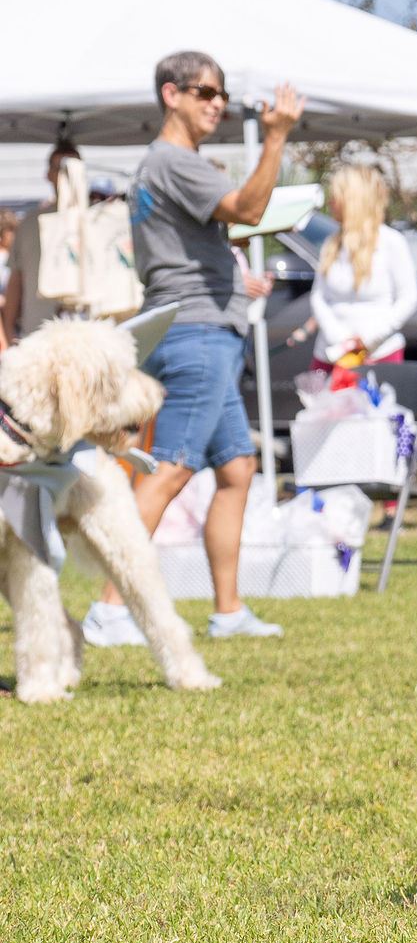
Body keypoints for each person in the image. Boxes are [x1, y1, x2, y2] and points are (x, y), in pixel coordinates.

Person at [85, 51, 301, 648]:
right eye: (204, 91)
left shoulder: (162, 166)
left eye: (222, 94)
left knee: (236, 469)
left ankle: (228, 612)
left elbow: (229, 223)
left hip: (194, 330)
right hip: (199, 334)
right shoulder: (177, 161)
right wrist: (276, 138)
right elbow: (248, 209)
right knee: (171, 469)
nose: (217, 103)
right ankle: (108, 610)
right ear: (170, 95)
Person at [309, 164, 417, 371]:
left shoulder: (391, 242)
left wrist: (367, 340)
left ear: (353, 200)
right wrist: (340, 339)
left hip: (379, 354)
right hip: (330, 354)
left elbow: (409, 298)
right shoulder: (330, 244)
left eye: (336, 196)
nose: (331, 202)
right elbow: (319, 297)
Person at [2, 138, 82, 347]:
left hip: (84, 335)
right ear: (48, 174)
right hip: (37, 334)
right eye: (60, 167)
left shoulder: (92, 220)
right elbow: (15, 280)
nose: (66, 175)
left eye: (72, 167)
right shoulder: (30, 223)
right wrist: (8, 331)